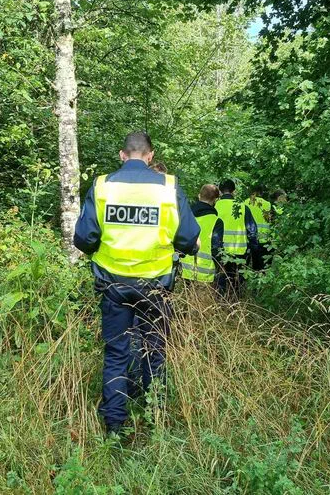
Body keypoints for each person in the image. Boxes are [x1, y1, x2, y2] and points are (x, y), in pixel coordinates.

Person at [73, 131, 200, 435]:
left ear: (122, 155)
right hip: (155, 285)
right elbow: (186, 238)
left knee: (117, 353)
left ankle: (115, 426)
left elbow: (84, 239)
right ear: (150, 156)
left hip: (114, 285)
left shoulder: (103, 186)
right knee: (154, 350)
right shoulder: (169, 187)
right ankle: (155, 417)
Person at [214, 179, 258, 297]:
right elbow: (252, 230)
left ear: (220, 191)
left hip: (221, 251)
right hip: (240, 251)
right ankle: (236, 305)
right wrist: (253, 248)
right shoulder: (242, 207)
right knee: (237, 282)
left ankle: (220, 307)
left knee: (221, 280)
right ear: (234, 191)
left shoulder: (215, 207)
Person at [181, 184, 225, 294]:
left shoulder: (186, 216)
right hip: (205, 273)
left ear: (199, 196)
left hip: (184, 270)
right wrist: (220, 268)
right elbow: (216, 248)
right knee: (203, 308)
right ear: (215, 200)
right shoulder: (216, 221)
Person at [243, 186, 273, 271]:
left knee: (249, 264)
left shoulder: (245, 203)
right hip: (263, 238)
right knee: (263, 265)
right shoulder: (267, 204)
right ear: (261, 193)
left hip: (249, 238)